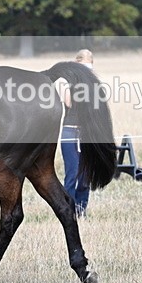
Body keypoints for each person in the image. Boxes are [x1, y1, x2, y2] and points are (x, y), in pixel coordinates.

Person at [60, 49, 94, 217]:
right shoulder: (69, 82)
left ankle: (82, 210)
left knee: (86, 177)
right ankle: (69, 212)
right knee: (72, 174)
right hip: (69, 132)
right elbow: (69, 102)